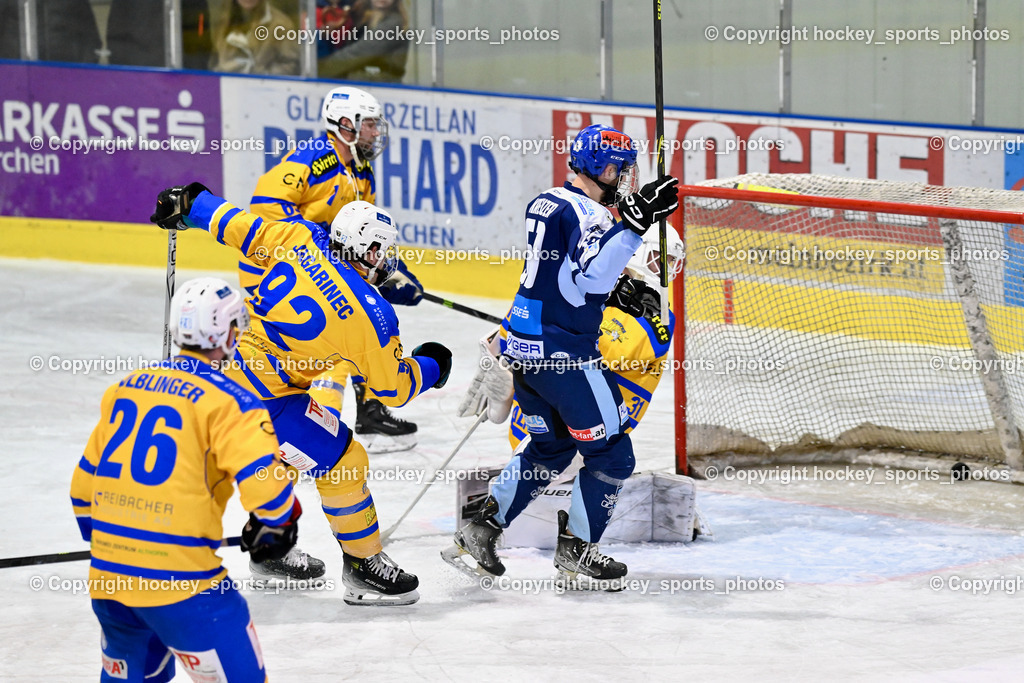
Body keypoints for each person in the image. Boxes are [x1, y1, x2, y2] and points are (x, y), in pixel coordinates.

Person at [151, 187, 452, 606]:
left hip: (221, 372)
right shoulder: (372, 316)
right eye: (382, 251)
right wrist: (433, 364)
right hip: (266, 401)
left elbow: (240, 226)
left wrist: (190, 204)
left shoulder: (301, 236)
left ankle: (270, 551)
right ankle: (363, 565)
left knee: (285, 455)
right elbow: (393, 388)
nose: (387, 261)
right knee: (344, 461)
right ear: (366, 251)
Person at [443, 124, 680, 586]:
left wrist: (620, 282)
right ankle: (578, 549)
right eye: (619, 170)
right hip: (567, 356)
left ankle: (481, 529)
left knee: (550, 449)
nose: (624, 179)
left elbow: (563, 278)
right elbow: (591, 277)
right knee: (613, 457)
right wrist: (633, 224)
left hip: (525, 348)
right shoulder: (593, 215)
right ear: (600, 168)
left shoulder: (548, 201)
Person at [70, 277, 301, 682]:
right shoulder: (233, 402)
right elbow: (269, 493)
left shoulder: (124, 389)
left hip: (108, 583)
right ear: (226, 333)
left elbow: (82, 490)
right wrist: (278, 525)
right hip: (186, 589)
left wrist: (117, 551)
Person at [246, 85, 424, 460]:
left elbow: (365, 229)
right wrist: (322, 245)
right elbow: (265, 205)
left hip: (324, 267)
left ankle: (369, 410)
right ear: (345, 124)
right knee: (334, 341)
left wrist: (392, 272)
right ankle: (306, 430)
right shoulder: (312, 158)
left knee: (360, 330)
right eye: (369, 124)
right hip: (279, 268)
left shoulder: (361, 170)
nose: (375, 132)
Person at [318, 0, 409, 83]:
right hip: (364, 83)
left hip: (380, 86)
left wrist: (319, 70)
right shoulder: (365, 18)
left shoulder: (394, 23)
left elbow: (356, 53)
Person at [106, 0, 212, 70]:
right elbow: (117, 38)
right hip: (139, 77)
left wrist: (193, 78)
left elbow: (199, 36)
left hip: (185, 78)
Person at [210, 0, 300, 75]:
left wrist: (260, 76)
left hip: (264, 88)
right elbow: (214, 62)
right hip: (228, 87)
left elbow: (291, 65)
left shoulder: (281, 24)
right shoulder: (224, 22)